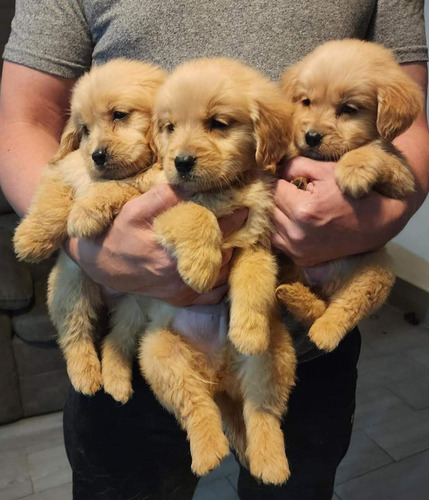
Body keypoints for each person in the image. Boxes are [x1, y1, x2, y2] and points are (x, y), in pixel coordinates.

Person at [0, 1, 428, 498]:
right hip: (139, 324)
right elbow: (22, 117)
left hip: (298, 334)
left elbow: (409, 117)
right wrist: (87, 244)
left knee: (290, 477)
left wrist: (371, 216)